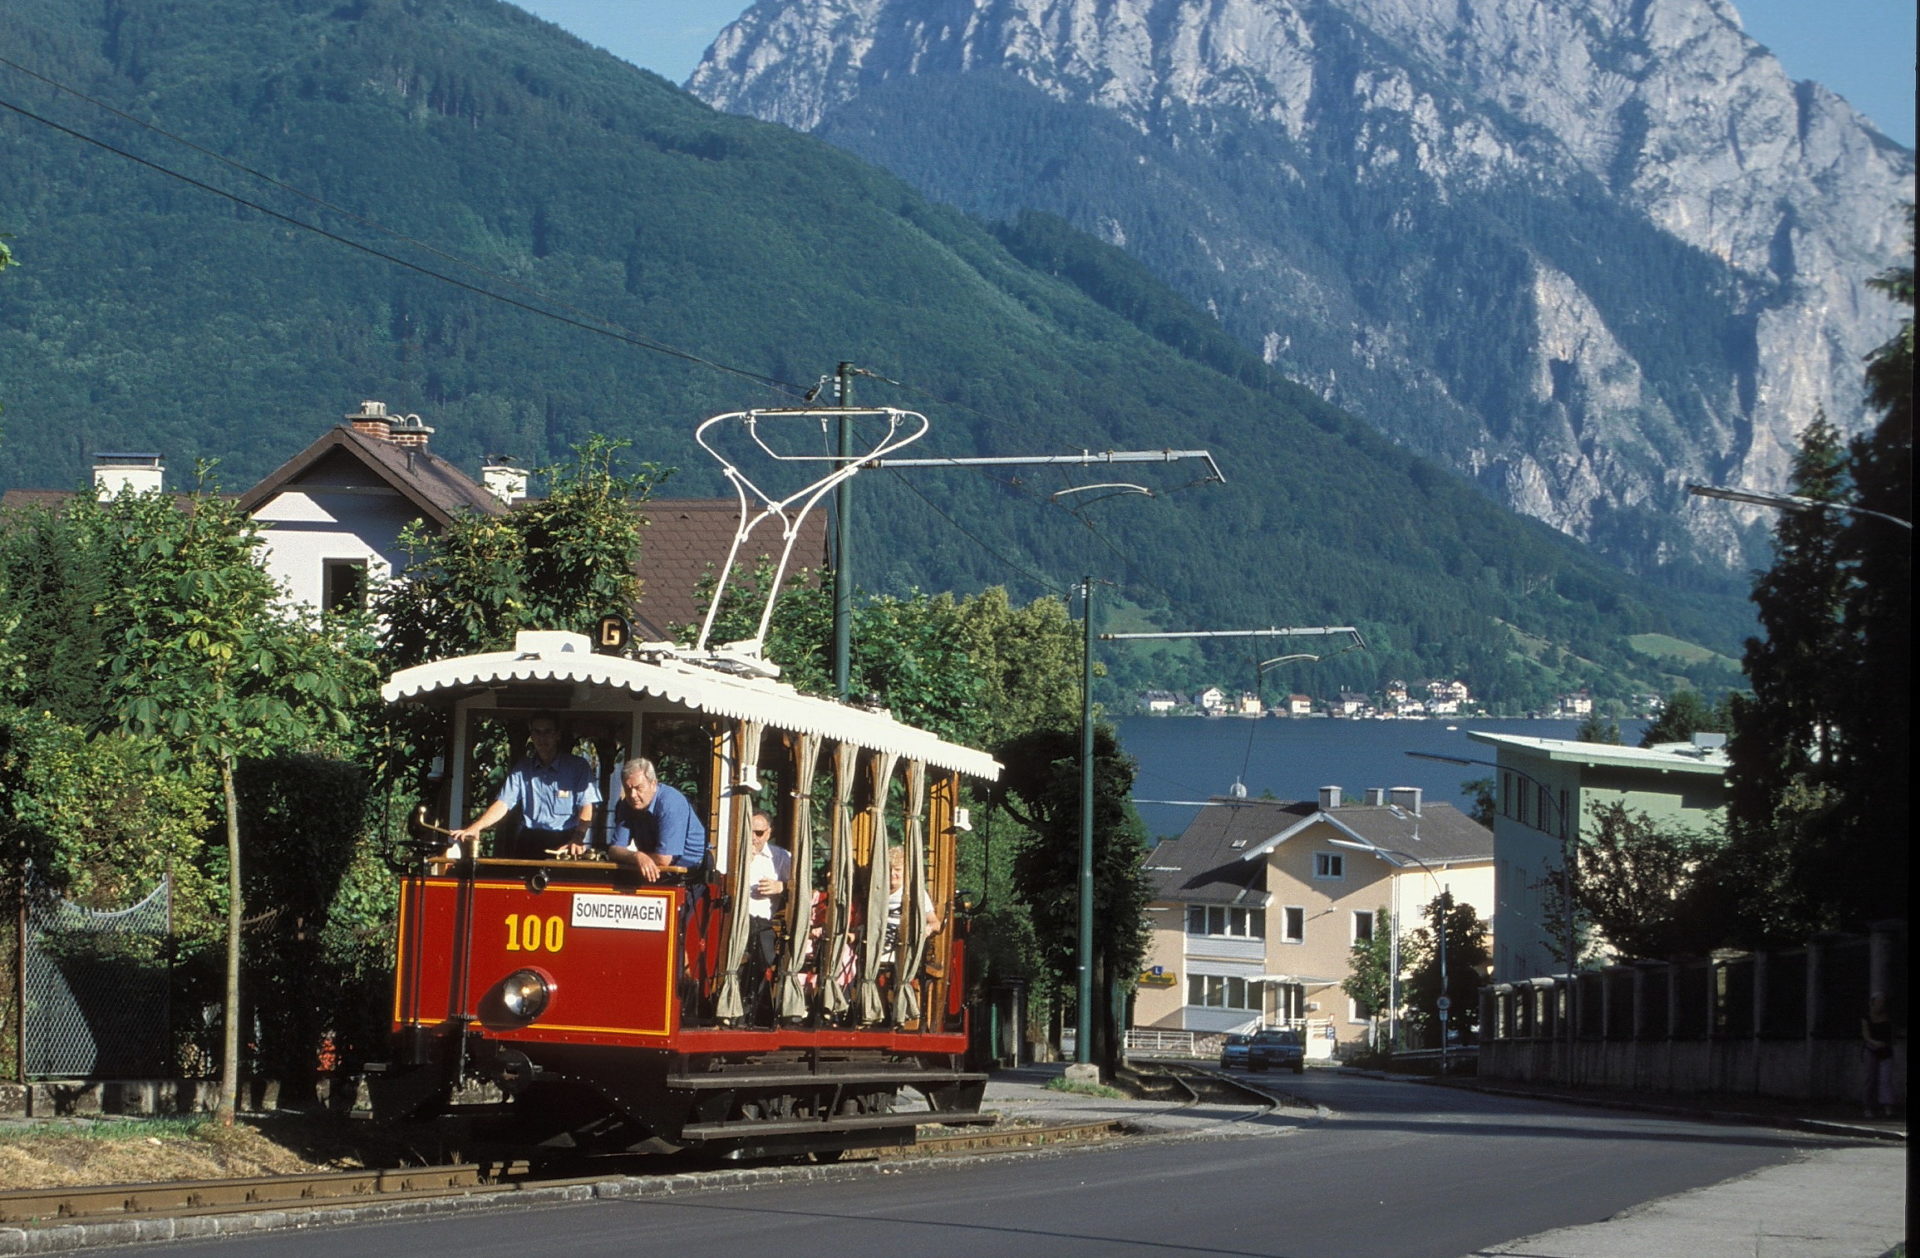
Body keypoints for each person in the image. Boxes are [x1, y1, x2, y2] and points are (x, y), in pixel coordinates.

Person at [449, 715, 598, 859]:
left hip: (565, 842)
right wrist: (477, 826)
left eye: (547, 732)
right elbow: (503, 803)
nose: (542, 737)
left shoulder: (578, 767)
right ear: (531, 736)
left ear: (557, 735)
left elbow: (587, 806)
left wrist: (578, 838)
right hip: (529, 841)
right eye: (537, 732)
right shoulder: (523, 769)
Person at [606, 757, 707, 881]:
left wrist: (639, 857)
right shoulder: (626, 805)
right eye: (628, 789)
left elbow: (663, 859)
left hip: (692, 872)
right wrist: (637, 856)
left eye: (638, 788)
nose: (632, 795)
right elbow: (614, 849)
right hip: (655, 869)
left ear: (653, 784)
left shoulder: (670, 803)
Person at [1861, 992, 1895, 1119]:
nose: (1881, 1005)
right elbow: (1866, 1036)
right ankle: (1868, 1107)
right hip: (1871, 1050)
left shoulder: (1888, 1017)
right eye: (1879, 1002)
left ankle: (1887, 1108)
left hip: (1886, 1050)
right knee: (1870, 1079)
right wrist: (1874, 1043)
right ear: (1872, 1003)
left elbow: (1892, 1034)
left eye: (1883, 1003)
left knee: (1885, 1080)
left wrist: (1888, 1043)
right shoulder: (1866, 1018)